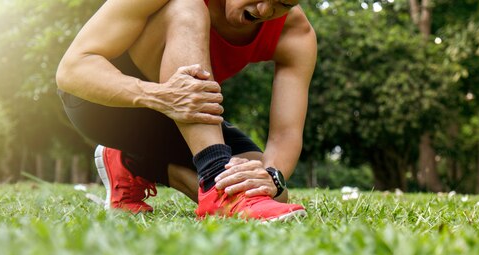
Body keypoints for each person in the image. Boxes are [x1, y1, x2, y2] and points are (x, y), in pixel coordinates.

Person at [56, 0, 316, 221]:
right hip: (102, 107)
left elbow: (285, 135)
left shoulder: (295, 34)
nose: (263, 9)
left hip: (179, 115)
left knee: (271, 191)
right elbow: (72, 70)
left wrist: (271, 176)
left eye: (283, 3)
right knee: (186, 6)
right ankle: (215, 177)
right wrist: (158, 96)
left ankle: (131, 162)